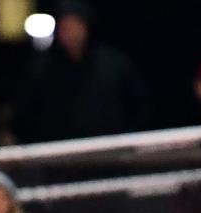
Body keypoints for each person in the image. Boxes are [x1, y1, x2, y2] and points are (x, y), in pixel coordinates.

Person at [14, 0, 147, 144]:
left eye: (75, 25)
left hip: (111, 149)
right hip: (59, 153)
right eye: (65, 27)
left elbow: (138, 106)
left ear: (85, 26)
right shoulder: (42, 70)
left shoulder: (113, 63)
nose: (71, 32)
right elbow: (27, 115)